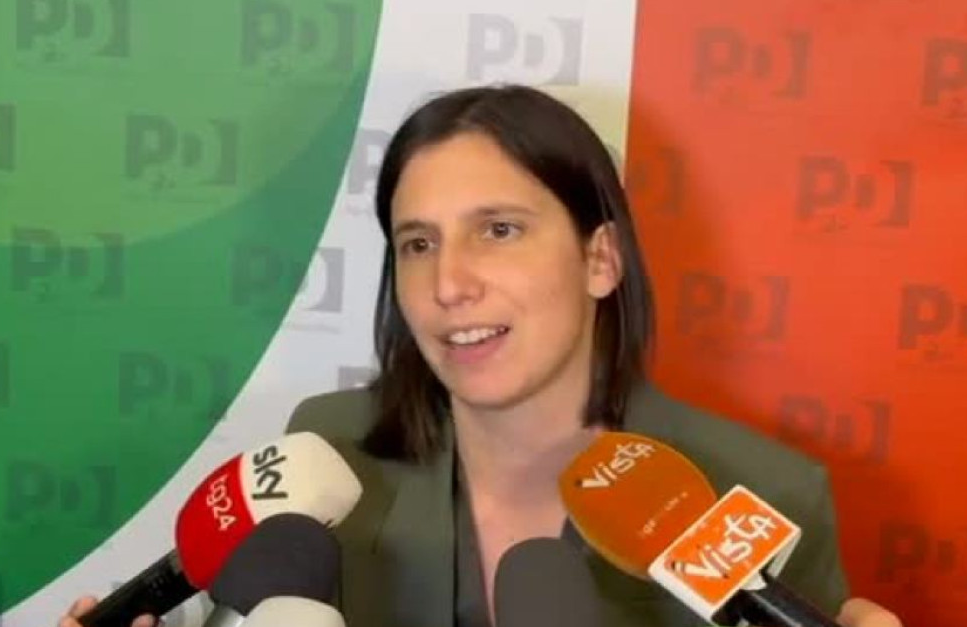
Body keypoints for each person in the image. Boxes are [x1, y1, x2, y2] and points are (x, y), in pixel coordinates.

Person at [62, 84, 901, 627]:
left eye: (498, 229)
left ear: (600, 259)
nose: (449, 283)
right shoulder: (327, 447)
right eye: (418, 243)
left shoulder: (765, 494)